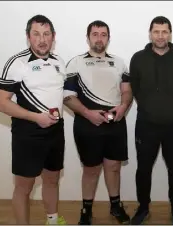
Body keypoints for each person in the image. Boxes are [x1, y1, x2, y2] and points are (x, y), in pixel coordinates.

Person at [0, 15, 67, 225]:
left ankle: (53, 221)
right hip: (27, 132)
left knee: (52, 180)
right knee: (24, 187)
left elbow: (60, 95)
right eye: (36, 34)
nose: (42, 39)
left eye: (46, 34)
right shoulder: (17, 62)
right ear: (28, 37)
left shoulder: (58, 62)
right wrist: (36, 117)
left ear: (53, 37)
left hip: (55, 131)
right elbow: (0, 102)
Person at [63, 20, 132, 225]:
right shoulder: (76, 62)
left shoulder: (119, 62)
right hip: (87, 124)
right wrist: (87, 113)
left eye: (103, 34)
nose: (99, 38)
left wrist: (123, 106)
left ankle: (115, 206)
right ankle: (86, 210)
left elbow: (126, 91)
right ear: (88, 38)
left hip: (115, 122)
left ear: (108, 38)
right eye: (95, 34)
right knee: (91, 169)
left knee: (113, 167)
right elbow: (67, 96)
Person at [129, 16, 173, 225]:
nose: (160, 36)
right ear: (150, 33)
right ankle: (143, 207)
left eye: (165, 32)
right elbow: (135, 88)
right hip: (146, 125)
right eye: (156, 31)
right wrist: (149, 105)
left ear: (170, 34)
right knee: (143, 168)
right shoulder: (138, 58)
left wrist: (172, 107)